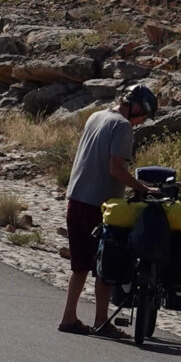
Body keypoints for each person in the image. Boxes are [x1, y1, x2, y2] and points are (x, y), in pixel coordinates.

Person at [58, 83, 157, 336]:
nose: (141, 121)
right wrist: (142, 188)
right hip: (98, 204)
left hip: (75, 198)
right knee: (106, 265)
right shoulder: (122, 126)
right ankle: (101, 322)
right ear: (137, 107)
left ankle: (68, 318)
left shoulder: (96, 116)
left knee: (79, 266)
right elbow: (115, 169)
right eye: (144, 115)